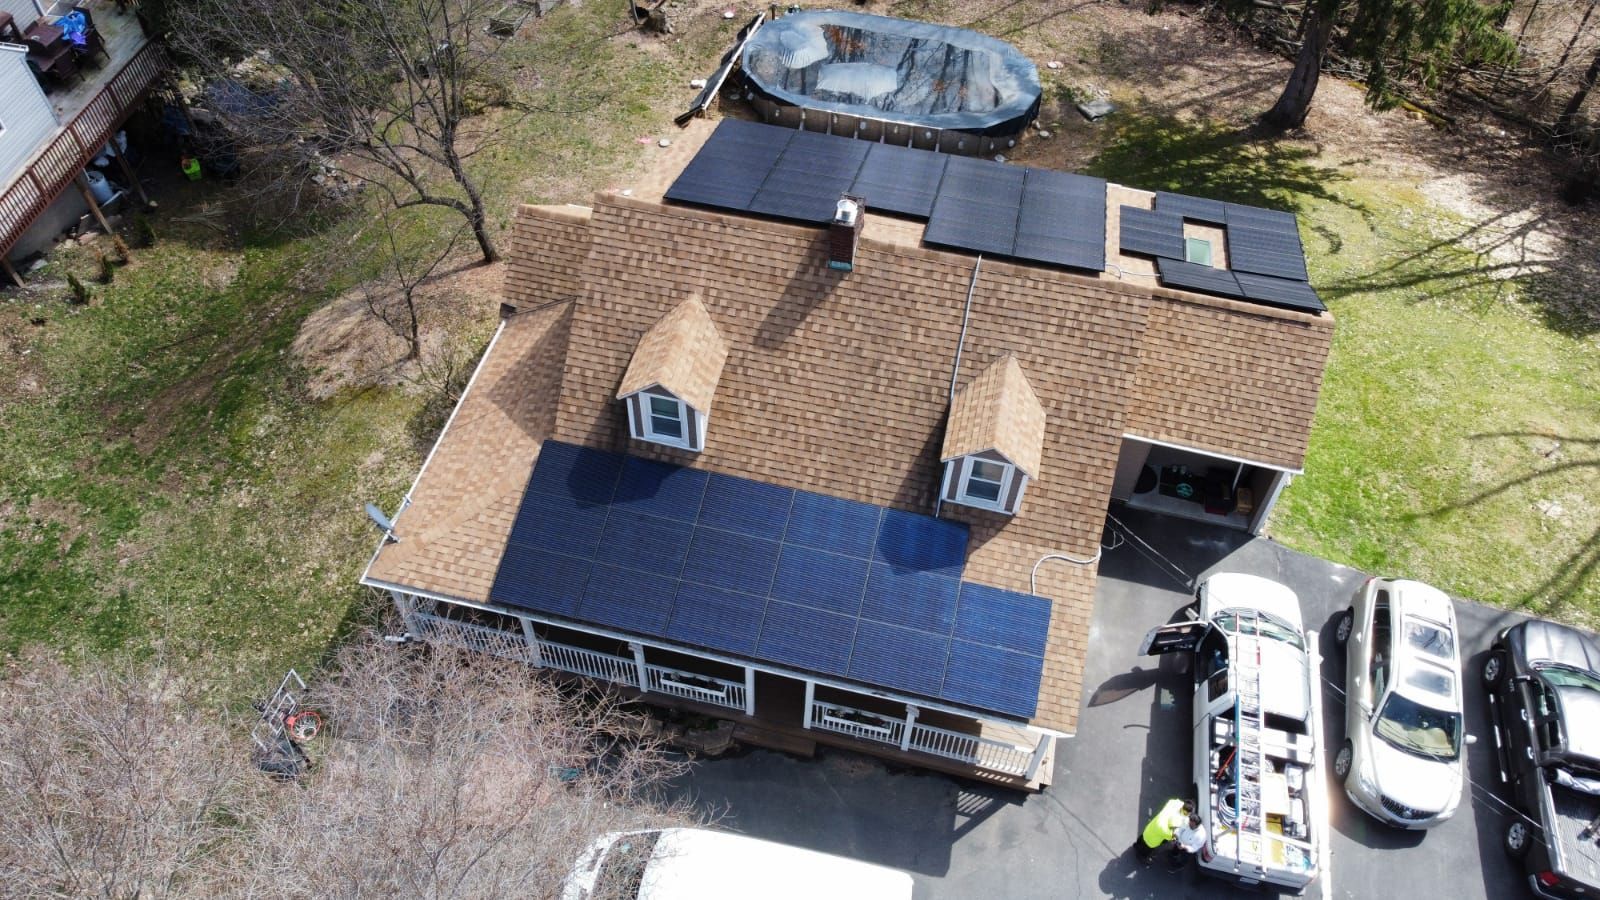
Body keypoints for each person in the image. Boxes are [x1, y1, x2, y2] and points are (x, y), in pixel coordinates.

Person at [1132, 798, 1191, 864]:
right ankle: (1141, 857)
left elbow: (1176, 801)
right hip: (1152, 841)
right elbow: (1172, 837)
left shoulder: (1174, 804)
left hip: (1150, 828)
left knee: (1142, 838)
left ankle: (1136, 845)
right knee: (1146, 849)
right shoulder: (1166, 831)